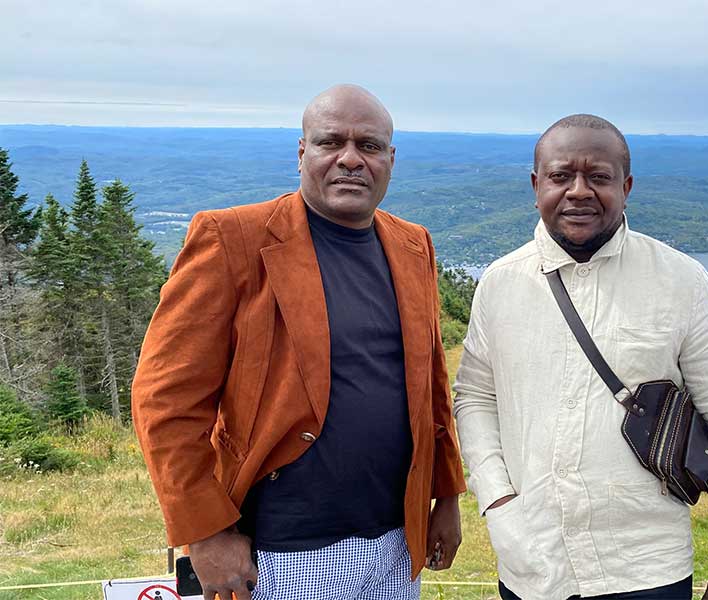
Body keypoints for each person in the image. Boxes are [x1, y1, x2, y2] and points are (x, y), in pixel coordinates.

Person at [131, 84, 465, 600]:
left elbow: (430, 387)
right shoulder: (231, 240)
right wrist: (206, 531)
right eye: (332, 142)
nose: (351, 159)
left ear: (391, 159)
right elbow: (165, 400)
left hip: (398, 543)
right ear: (302, 152)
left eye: (370, 146)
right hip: (284, 552)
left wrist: (444, 496)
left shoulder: (412, 243)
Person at [453, 114, 708, 600]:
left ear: (627, 186)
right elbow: (474, 396)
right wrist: (497, 498)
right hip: (531, 562)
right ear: (537, 186)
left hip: (645, 569)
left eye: (598, 176)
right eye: (560, 176)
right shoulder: (500, 282)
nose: (579, 191)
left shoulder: (682, 282)